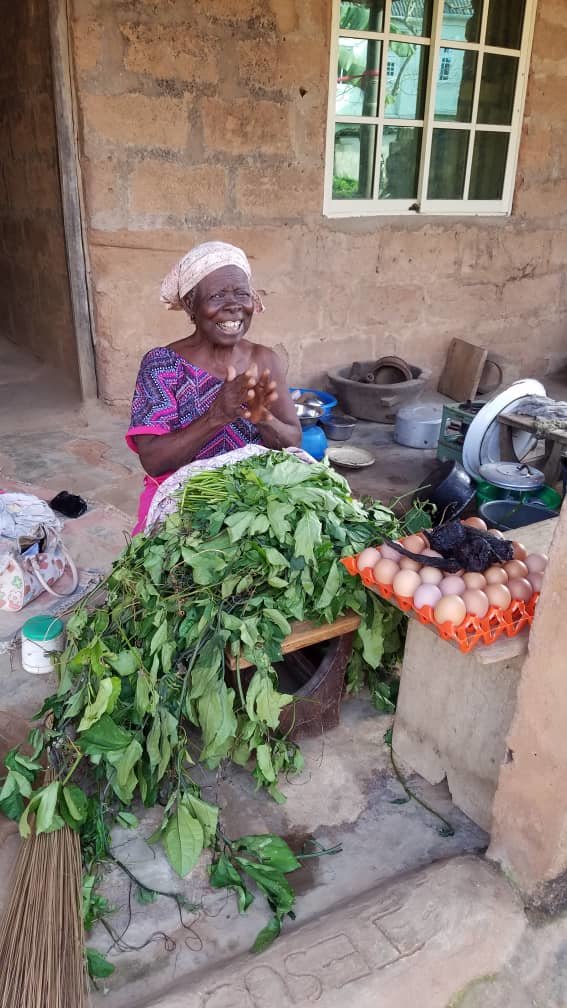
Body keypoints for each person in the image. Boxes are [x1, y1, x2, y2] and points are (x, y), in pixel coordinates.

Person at [127, 241, 302, 533]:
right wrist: (216, 416)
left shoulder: (265, 360)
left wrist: (262, 417)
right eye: (218, 295)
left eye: (241, 294)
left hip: (255, 505)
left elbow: (293, 440)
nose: (234, 305)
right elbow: (153, 461)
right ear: (190, 305)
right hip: (183, 503)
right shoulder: (162, 365)